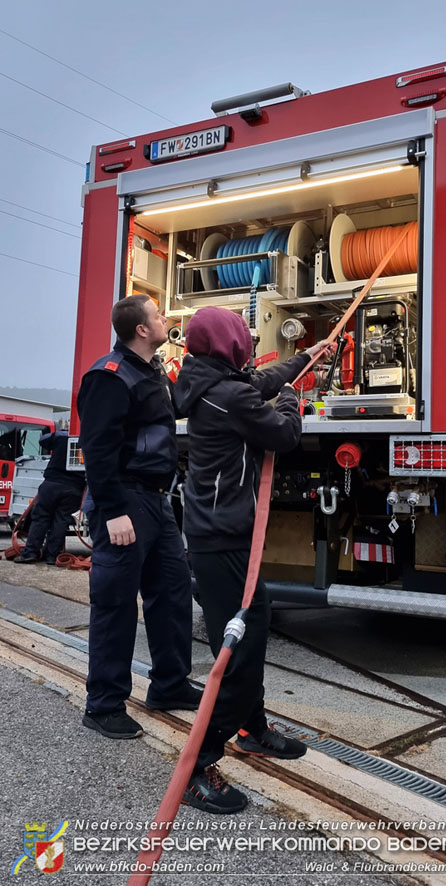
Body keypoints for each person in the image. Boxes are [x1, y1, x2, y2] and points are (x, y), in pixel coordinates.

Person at [174, 306, 333, 814]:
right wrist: (293, 398)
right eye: (241, 336)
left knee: (255, 626)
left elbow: (258, 381)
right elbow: (284, 434)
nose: (245, 341)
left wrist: (305, 357)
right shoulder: (227, 396)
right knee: (236, 653)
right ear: (228, 344)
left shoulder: (209, 382)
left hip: (224, 535)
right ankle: (199, 765)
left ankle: (252, 728)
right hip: (222, 542)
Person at [77, 294, 201, 741]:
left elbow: (183, 406)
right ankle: (104, 704)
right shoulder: (109, 377)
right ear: (142, 330)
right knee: (114, 605)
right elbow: (98, 449)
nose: (165, 318)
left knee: (171, 594)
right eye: (158, 315)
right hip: (124, 501)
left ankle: (169, 685)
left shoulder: (153, 374)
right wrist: (112, 511)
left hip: (157, 502)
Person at [14, 428, 86, 565]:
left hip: (52, 484)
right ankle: (51, 556)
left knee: (41, 518)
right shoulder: (90, 437)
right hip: (74, 488)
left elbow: (43, 440)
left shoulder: (61, 436)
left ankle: (30, 553)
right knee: (61, 520)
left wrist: (60, 433)